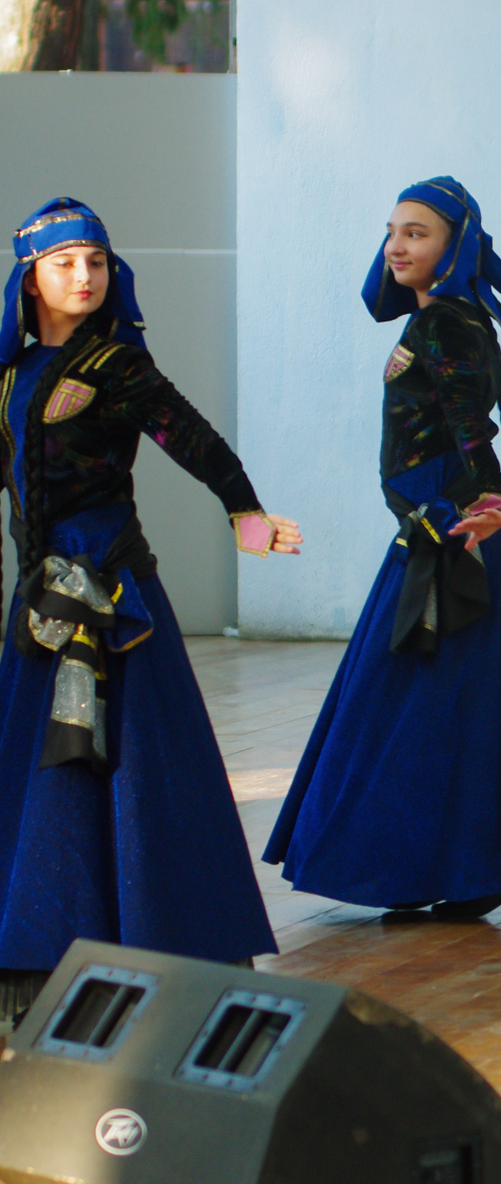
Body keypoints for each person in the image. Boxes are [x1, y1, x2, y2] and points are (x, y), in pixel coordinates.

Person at [263, 178, 501, 919]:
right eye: (392, 232)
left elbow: (471, 426)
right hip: (447, 528)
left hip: (461, 536)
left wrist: (481, 509)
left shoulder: (445, 324)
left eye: (417, 233)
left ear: (455, 246)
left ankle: (454, 868)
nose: (397, 246)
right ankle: (453, 867)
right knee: (446, 712)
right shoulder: (444, 319)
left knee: (431, 710)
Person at [0, 198, 301, 1031]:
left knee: (133, 770)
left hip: (114, 597)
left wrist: (245, 513)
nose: (84, 276)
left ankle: (169, 948)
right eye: (65, 263)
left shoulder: (117, 364)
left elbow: (191, 438)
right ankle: (36, 955)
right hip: (41, 604)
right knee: (39, 773)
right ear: (30, 277)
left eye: (96, 261)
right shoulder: (12, 374)